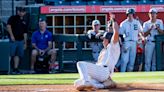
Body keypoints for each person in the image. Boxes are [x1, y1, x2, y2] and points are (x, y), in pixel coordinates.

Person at [74, 21, 120, 91]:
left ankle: (86, 82)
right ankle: (102, 86)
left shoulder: (113, 47)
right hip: (101, 73)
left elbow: (116, 33)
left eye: (104, 39)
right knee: (77, 83)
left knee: (80, 63)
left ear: (108, 40)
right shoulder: (104, 50)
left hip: (103, 71)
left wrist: (113, 21)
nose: (103, 41)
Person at [7, 7, 27, 74]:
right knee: (10, 54)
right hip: (13, 40)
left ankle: (15, 69)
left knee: (17, 55)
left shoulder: (24, 21)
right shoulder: (13, 18)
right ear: (18, 12)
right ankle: (8, 69)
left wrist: (25, 42)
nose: (21, 13)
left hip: (20, 40)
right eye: (20, 11)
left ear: (25, 13)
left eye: (23, 11)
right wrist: (11, 36)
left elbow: (25, 33)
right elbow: (8, 26)